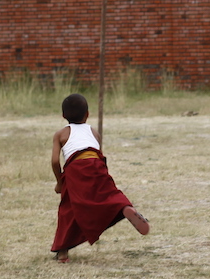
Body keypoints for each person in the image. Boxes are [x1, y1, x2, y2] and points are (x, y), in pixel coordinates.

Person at [51, 93, 149, 263]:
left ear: (63, 116)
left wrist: (60, 182)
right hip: (96, 165)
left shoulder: (61, 134)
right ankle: (123, 206)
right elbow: (98, 155)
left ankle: (63, 251)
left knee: (68, 209)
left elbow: (54, 161)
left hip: (75, 169)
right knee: (109, 195)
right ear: (87, 114)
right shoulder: (94, 132)